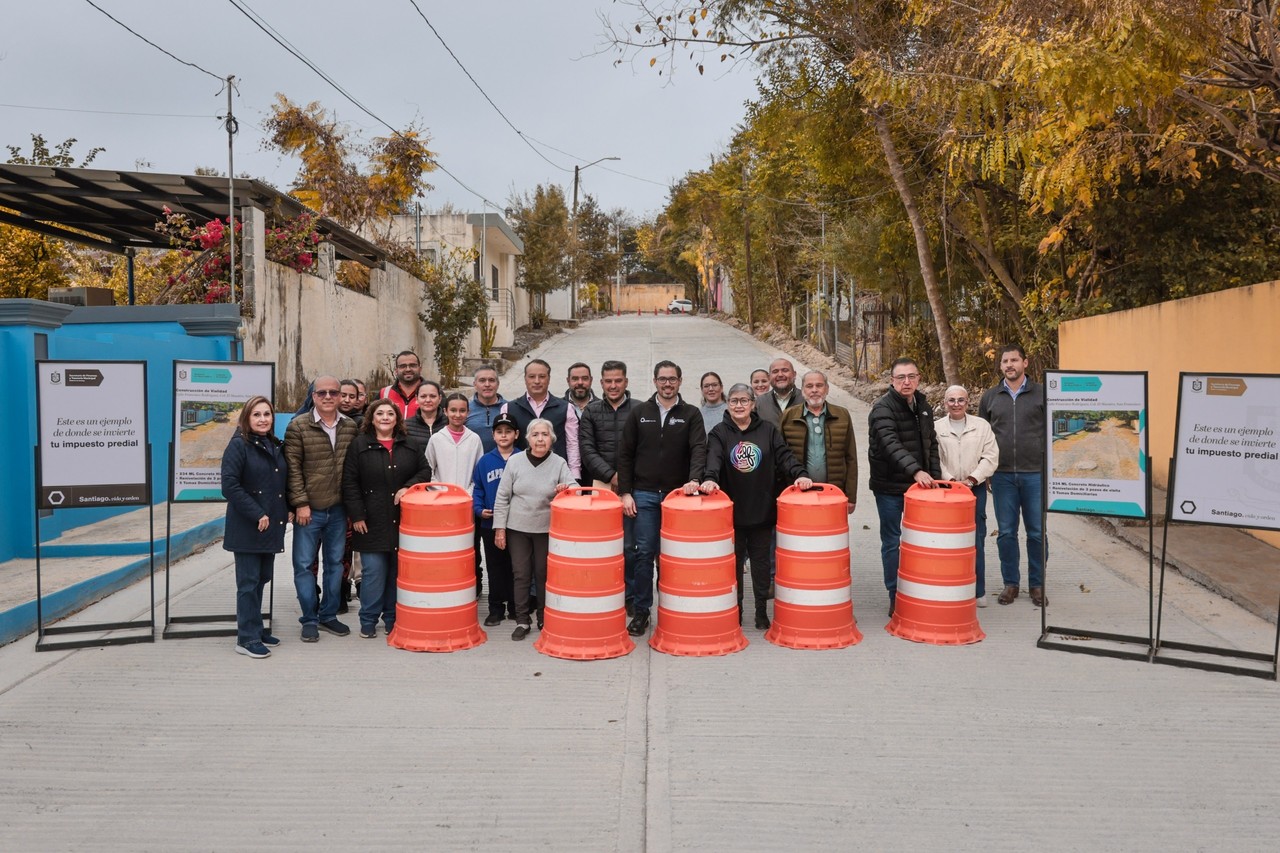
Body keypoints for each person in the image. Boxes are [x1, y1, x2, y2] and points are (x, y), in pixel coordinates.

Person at [701, 383, 811, 629]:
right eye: (734, 401)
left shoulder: (768, 431)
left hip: (762, 511)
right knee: (734, 566)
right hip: (732, 514)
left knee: (762, 566)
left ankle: (761, 610)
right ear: (728, 405)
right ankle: (737, 610)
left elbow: (784, 457)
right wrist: (709, 478)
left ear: (753, 404)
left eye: (744, 401)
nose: (738, 406)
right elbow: (714, 458)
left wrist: (800, 474)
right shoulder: (719, 432)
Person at [617, 360, 707, 636]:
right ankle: (643, 611)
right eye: (662, 379)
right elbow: (625, 453)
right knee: (643, 554)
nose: (667, 384)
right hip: (643, 495)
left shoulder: (691, 414)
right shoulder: (639, 412)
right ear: (655, 381)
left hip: (677, 496)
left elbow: (698, 449)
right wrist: (625, 492)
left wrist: (694, 480)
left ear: (680, 381)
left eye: (672, 379)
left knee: (674, 557)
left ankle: (674, 608)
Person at [341, 398, 433, 639]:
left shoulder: (410, 444)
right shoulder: (359, 445)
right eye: (379, 413)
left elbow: (425, 471)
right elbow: (349, 482)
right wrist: (357, 515)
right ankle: (368, 619)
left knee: (396, 572)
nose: (384, 417)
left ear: (396, 419)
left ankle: (392, 618)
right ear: (371, 418)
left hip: (402, 520)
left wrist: (408, 487)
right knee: (373, 572)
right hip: (370, 520)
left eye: (389, 414)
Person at [284, 375, 358, 641]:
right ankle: (309, 618)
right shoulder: (298, 426)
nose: (328, 397)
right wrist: (300, 503)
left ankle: (328, 615)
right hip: (309, 511)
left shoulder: (350, 426)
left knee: (336, 565)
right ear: (313, 396)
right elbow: (292, 468)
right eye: (322, 393)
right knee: (304, 565)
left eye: (333, 393)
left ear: (340, 397)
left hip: (339, 510)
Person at [867, 358, 941, 615]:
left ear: (919, 378)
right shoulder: (882, 409)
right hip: (889, 488)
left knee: (921, 541)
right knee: (892, 541)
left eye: (911, 376)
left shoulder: (923, 405)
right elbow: (890, 445)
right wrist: (916, 471)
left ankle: (919, 589)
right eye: (901, 377)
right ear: (892, 380)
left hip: (920, 488)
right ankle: (895, 594)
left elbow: (930, 444)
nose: (906, 382)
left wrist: (936, 479)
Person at [492, 418, 576, 640]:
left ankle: (543, 616)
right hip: (517, 527)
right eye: (536, 435)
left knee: (543, 573)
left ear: (552, 439)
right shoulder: (515, 461)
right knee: (521, 574)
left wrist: (565, 488)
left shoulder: (558, 463)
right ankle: (522, 620)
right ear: (527, 438)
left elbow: (575, 489)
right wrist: (499, 529)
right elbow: (502, 497)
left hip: (546, 528)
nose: (540, 439)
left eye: (545, 435)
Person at [220, 396, 290, 659]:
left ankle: (257, 629)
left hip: (269, 525)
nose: (263, 419)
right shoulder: (239, 445)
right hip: (249, 526)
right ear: (247, 419)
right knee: (248, 583)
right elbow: (230, 486)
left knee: (261, 579)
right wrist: (256, 512)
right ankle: (246, 638)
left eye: (267, 414)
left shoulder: (271, 444)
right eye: (257, 415)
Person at [978, 345, 1048, 607]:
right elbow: (982, 437)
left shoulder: (1043, 394)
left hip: (1035, 475)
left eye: (1014, 360)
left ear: (1025, 363)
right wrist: (984, 470)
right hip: (1002, 475)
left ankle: (1037, 585)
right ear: (1000, 366)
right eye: (1005, 361)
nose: (1009, 364)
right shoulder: (990, 397)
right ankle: (1011, 584)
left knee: (1037, 533)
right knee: (1006, 532)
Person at [578, 360, 638, 611]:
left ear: (626, 381)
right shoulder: (591, 411)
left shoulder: (639, 409)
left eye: (618, 381)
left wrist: (625, 482)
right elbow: (587, 449)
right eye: (608, 381)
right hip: (601, 484)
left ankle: (632, 597)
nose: (613, 386)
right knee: (603, 543)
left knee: (631, 545)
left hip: (633, 486)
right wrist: (612, 476)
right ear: (601, 383)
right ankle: (604, 592)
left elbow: (644, 450)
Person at [936, 385, 1000, 607]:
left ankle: (977, 590)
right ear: (945, 403)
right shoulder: (936, 428)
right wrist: (952, 481)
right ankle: (948, 587)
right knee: (946, 541)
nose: (956, 404)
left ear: (968, 402)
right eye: (951, 400)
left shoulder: (981, 426)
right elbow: (935, 459)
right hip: (946, 490)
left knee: (976, 539)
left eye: (961, 400)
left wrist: (972, 480)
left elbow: (991, 456)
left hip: (975, 488)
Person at [426, 393, 486, 596]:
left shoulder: (474, 439)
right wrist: (441, 492)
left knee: (470, 546)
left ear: (468, 413)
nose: (457, 414)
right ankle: (445, 583)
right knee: (444, 546)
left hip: (467, 503)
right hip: (442, 503)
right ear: (445, 412)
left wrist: (467, 495)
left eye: (462, 410)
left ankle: (472, 585)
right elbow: (429, 470)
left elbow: (478, 472)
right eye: (453, 410)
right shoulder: (437, 439)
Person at [779, 371, 859, 512]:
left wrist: (851, 497)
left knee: (831, 532)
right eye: (809, 386)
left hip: (833, 493)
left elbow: (851, 458)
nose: (814, 390)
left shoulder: (842, 415)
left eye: (819, 385)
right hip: (798, 493)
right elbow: (780, 456)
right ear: (803, 390)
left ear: (827, 389)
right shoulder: (789, 416)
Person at [473, 413, 520, 626]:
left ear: (516, 434)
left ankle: (515, 606)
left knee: (516, 566)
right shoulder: (485, 461)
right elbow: (479, 488)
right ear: (493, 435)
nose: (504, 435)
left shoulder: (522, 458)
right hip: (489, 523)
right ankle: (495, 608)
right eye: (499, 431)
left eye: (508, 431)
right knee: (494, 566)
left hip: (517, 524)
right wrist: (479, 509)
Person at [507, 359, 579, 476]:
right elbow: (506, 446)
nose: (537, 381)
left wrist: (574, 476)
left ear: (549, 379)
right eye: (532, 376)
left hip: (557, 476)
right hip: (521, 476)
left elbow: (572, 445)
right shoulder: (509, 408)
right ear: (525, 379)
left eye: (542, 376)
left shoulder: (566, 408)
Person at [466, 365, 506, 452]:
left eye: (491, 380)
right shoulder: (465, 410)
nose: (487, 384)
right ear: (475, 385)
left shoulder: (509, 408)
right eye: (482, 380)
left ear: (498, 384)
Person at [755, 357, 801, 427]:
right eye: (775, 371)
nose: (780, 375)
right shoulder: (759, 403)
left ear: (794, 374)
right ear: (769, 377)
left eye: (785, 370)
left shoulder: (806, 400)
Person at [379, 350, 423, 420]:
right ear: (396, 370)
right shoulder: (384, 393)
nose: (408, 369)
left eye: (412, 365)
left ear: (420, 369)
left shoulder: (432, 393)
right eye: (403, 366)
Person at [403, 380, 446, 449]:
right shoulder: (406, 426)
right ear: (417, 399)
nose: (428, 400)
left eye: (433, 396)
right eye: (423, 396)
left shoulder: (449, 423)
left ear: (440, 398)